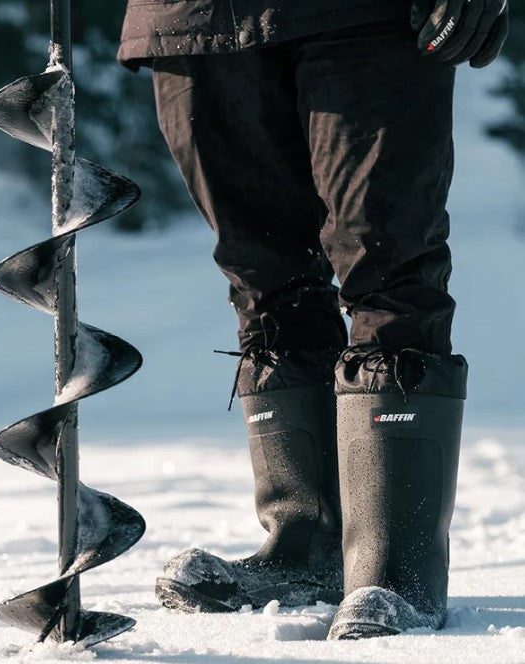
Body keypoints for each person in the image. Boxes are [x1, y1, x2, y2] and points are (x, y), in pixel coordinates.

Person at [117, 0, 508, 639]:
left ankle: (395, 571)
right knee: (263, 280)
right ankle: (309, 546)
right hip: (194, 19)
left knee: (386, 264)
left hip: (365, 17)